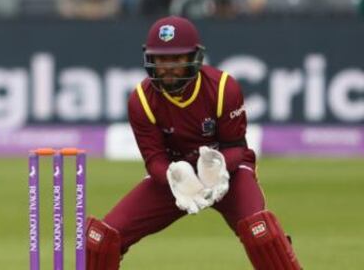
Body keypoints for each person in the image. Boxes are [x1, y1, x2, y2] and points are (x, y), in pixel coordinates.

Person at [85, 16, 303, 270]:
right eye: (160, 59)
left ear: (194, 58)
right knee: (101, 239)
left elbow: (236, 148)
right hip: (178, 179)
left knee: (261, 234)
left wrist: (217, 167)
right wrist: (174, 176)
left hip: (227, 174)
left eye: (175, 58)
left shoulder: (223, 87)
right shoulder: (141, 100)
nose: (167, 67)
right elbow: (154, 160)